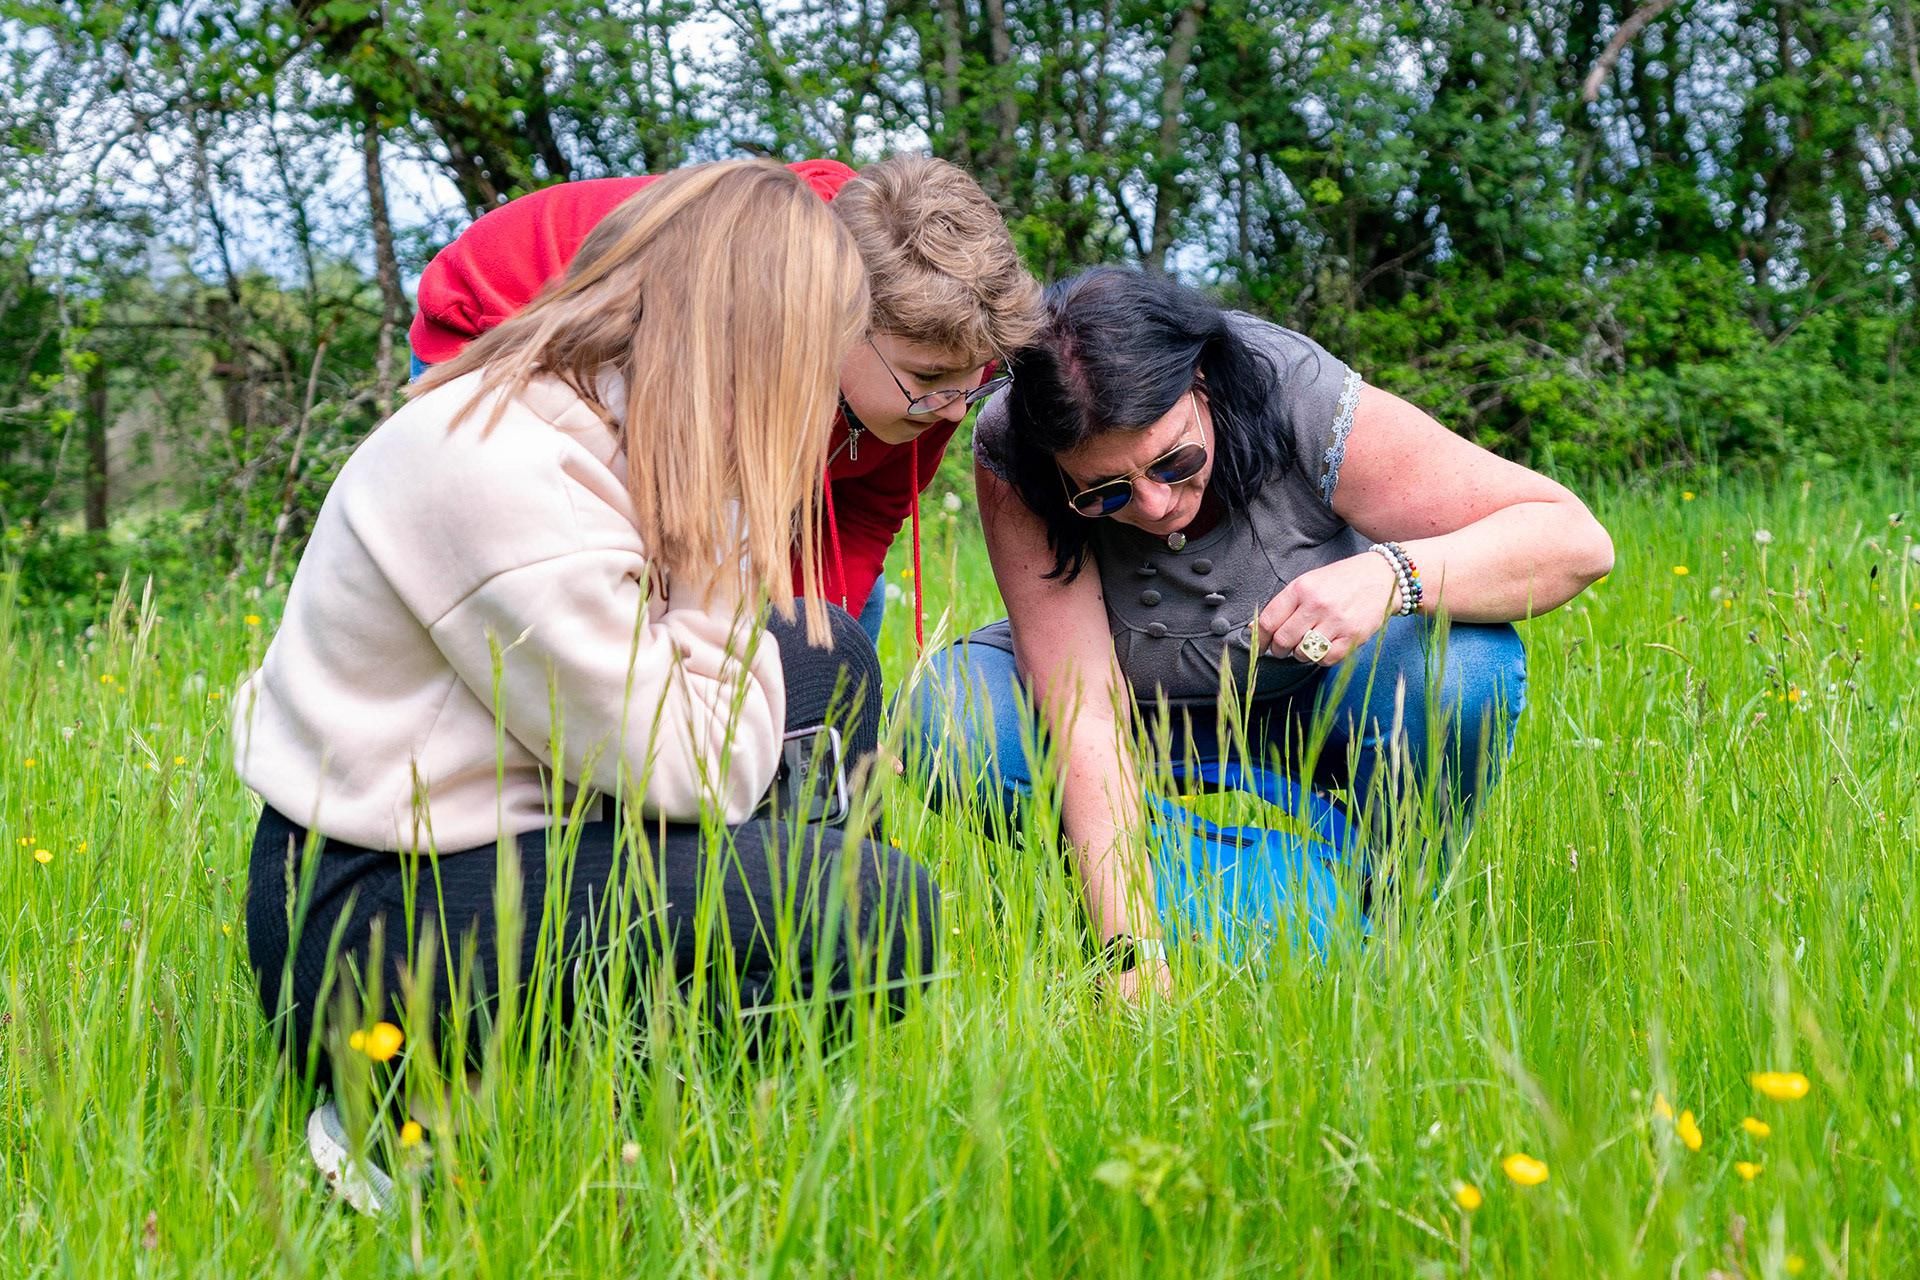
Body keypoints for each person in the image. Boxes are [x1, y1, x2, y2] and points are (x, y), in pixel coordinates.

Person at [235, 162, 941, 1210]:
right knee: (879, 909)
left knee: (824, 650)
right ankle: (401, 1113)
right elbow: (701, 769)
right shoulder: (502, 476)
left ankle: (695, 1081)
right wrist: (727, 548)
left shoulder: (606, 415)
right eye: (823, 349)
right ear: (757, 341)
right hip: (376, 916)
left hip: (500, 828)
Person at [909, 268, 1615, 998]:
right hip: (1134, 715)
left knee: (1463, 666)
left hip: (1313, 696)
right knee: (950, 717)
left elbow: (1573, 539)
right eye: (1106, 492)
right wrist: (1130, 952)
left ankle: (1379, 900)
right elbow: (1082, 709)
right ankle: (1319, 910)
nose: (1154, 506)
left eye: (1175, 462)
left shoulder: (1293, 385)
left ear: (1205, 385)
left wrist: (1391, 575)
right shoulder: (1013, 443)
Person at [408, 154, 1043, 644]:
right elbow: (689, 537)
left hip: (701, 390)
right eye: (930, 381)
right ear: (838, 320)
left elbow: (859, 517)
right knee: (600, 588)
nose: (956, 410)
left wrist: (817, 671)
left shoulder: (942, 345)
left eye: (976, 379)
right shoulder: (744, 316)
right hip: (499, 325)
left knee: (843, 610)